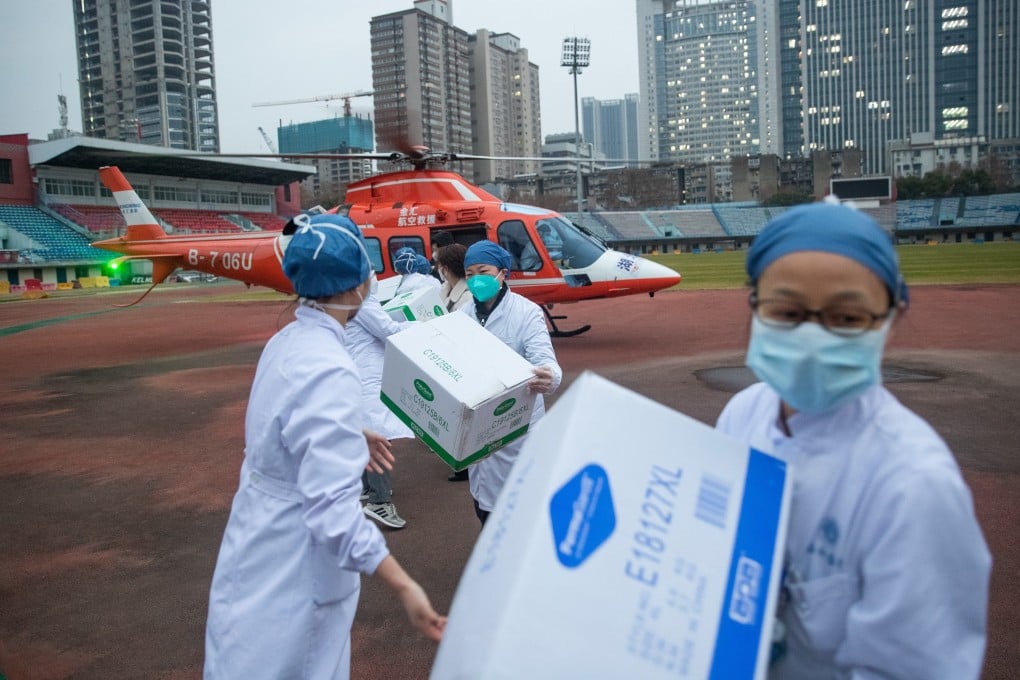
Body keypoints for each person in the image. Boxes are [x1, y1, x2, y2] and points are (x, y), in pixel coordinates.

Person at [715, 201, 991, 680]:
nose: (811, 336)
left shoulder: (914, 486)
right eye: (787, 311)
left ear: (891, 317)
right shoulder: (743, 413)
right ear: (754, 305)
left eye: (846, 319)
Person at [204, 213, 445, 678]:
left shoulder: (287, 341)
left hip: (256, 535)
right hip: (295, 564)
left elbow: (283, 420)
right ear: (357, 285)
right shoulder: (331, 367)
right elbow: (332, 513)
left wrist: (349, 433)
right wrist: (405, 586)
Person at [461, 241, 562, 524]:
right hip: (479, 425)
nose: (475, 279)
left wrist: (550, 376)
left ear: (502, 273)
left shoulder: (525, 313)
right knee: (484, 507)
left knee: (521, 511)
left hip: (518, 425)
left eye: (483, 271)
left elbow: (545, 359)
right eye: (469, 274)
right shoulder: (463, 315)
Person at [346, 276, 415, 529]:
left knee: (366, 435)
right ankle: (379, 501)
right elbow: (389, 331)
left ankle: (367, 488)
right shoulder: (362, 302)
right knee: (379, 437)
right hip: (367, 377)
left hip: (357, 373)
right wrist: (424, 326)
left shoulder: (349, 300)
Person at [433, 242, 472, 481]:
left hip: (459, 358)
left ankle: (465, 462)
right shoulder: (445, 289)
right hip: (444, 354)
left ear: (446, 267)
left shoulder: (466, 296)